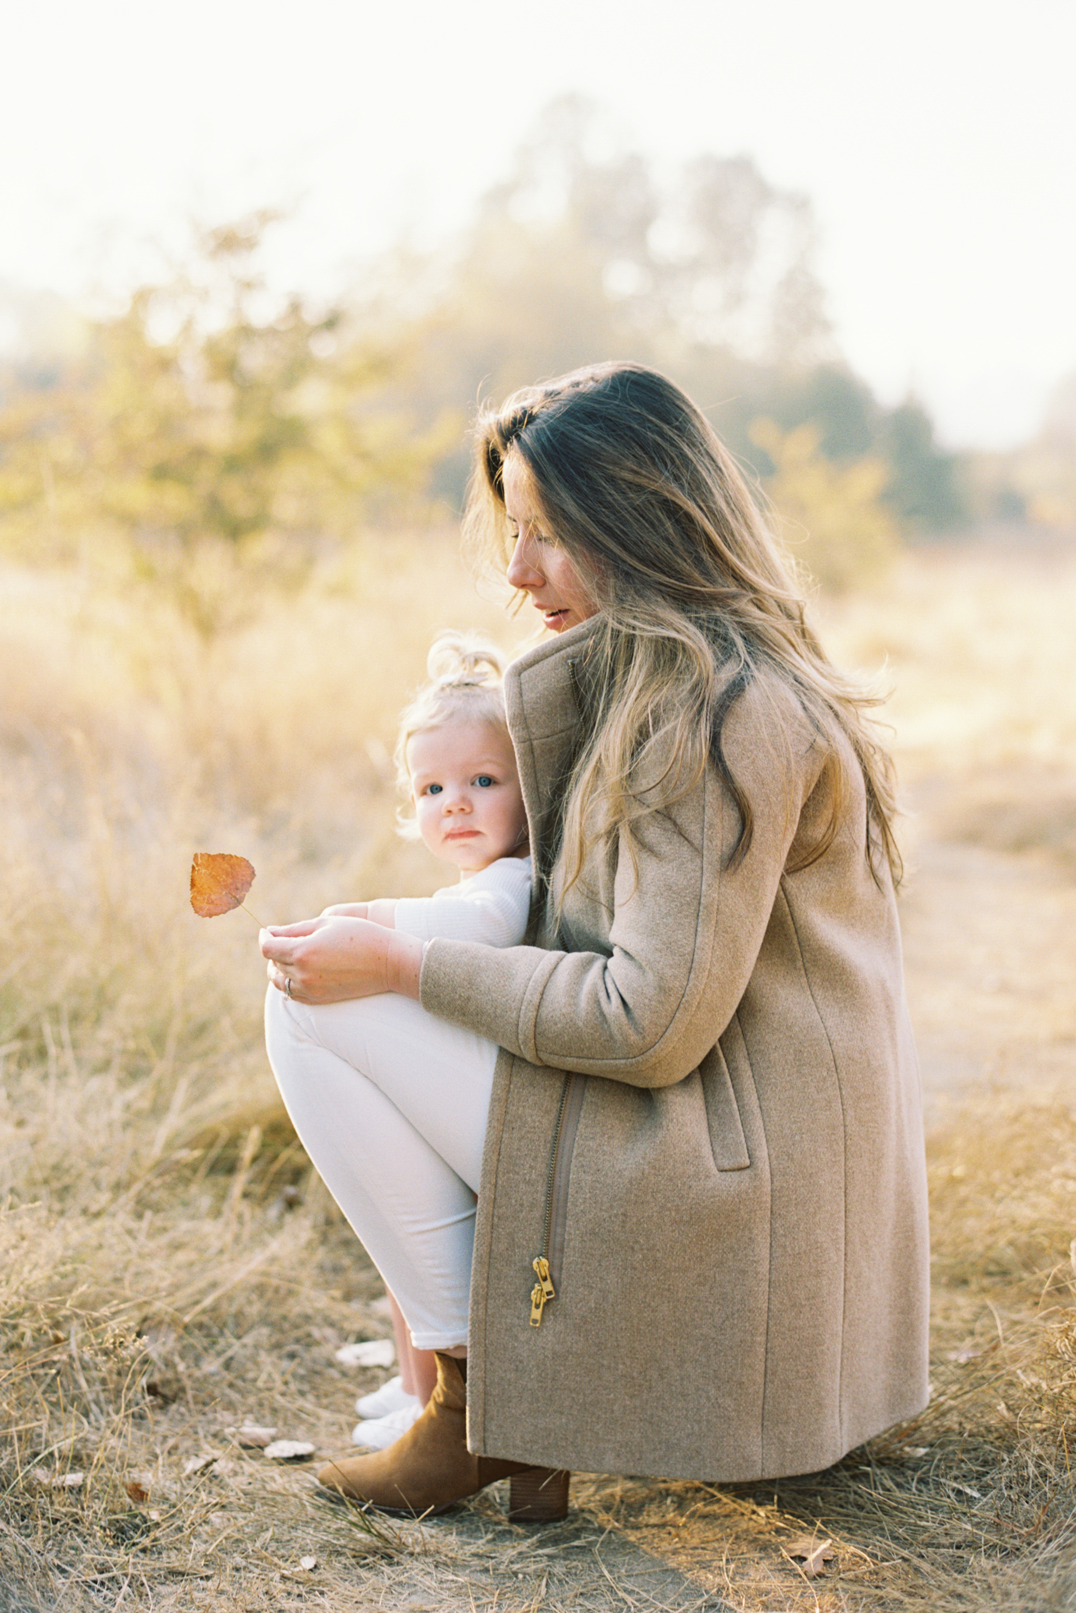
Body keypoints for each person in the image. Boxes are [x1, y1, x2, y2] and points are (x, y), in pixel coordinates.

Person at [260, 361, 930, 1524]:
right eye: (516, 534)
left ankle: (472, 1402)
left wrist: (407, 964)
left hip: (725, 1176)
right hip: (741, 1144)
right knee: (339, 969)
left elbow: (647, 1022)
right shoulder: (683, 673)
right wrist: (402, 933)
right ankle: (473, 1387)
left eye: (552, 535)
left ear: (645, 518)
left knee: (320, 1002)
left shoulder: (713, 710)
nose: (518, 575)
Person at [263, 633, 534, 1441]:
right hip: (480, 1081)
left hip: (516, 1096)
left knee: (420, 1218)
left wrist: (370, 920)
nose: (455, 802)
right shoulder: (467, 881)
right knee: (397, 1216)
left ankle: (434, 1400)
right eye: (433, 786)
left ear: (529, 791)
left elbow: (479, 931)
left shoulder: (510, 882)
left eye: (483, 781)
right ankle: (414, 1378)